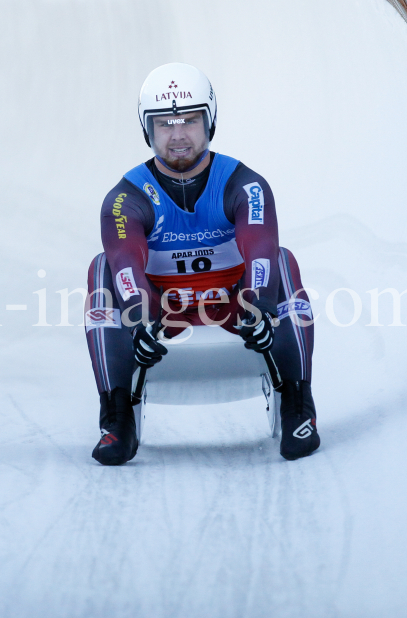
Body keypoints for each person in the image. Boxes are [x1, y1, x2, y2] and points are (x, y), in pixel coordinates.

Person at [84, 63, 320, 465]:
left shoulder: (244, 183)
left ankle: (299, 404)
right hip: (163, 316)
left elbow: (261, 246)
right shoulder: (125, 197)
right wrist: (141, 319)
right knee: (102, 269)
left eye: (190, 121)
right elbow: (124, 261)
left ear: (210, 122)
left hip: (237, 308)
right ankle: (117, 417)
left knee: (282, 260)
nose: (178, 136)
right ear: (147, 130)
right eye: (165, 125)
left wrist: (260, 308)